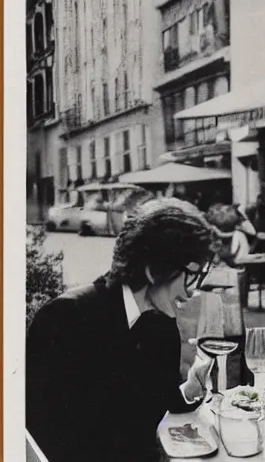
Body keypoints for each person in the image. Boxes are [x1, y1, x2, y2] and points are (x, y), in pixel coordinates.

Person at [26, 198, 216, 462]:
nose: (192, 290)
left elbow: (157, 401)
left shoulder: (160, 324)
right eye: (190, 275)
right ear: (154, 268)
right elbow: (41, 440)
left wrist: (191, 390)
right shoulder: (64, 319)